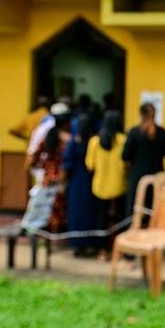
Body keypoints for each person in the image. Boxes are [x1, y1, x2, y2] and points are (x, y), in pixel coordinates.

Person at [85, 110, 127, 261]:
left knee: (101, 220)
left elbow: (90, 166)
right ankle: (121, 250)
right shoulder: (123, 140)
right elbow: (127, 162)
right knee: (121, 218)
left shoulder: (94, 142)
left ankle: (102, 252)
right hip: (120, 185)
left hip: (99, 187)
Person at [122, 103, 165, 219]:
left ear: (141, 114)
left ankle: (132, 234)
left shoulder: (134, 132)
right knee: (154, 210)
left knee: (133, 210)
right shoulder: (162, 133)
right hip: (157, 176)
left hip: (137, 177)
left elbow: (125, 156)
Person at [28, 103, 72, 233]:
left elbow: (36, 153)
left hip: (47, 175)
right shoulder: (68, 139)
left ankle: (46, 236)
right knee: (58, 206)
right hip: (61, 176)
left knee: (47, 205)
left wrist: (36, 166)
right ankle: (56, 234)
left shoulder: (48, 134)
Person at [62, 112, 98, 257]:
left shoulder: (73, 143)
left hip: (76, 183)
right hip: (92, 183)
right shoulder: (94, 142)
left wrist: (63, 182)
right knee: (91, 214)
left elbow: (67, 164)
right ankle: (91, 244)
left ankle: (78, 246)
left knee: (76, 214)